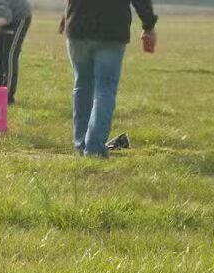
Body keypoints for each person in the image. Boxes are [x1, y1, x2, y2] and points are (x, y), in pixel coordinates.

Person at [63, 0, 158, 157]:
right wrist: (149, 26)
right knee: (105, 89)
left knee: (82, 86)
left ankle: (81, 144)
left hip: (77, 26)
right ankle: (94, 147)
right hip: (112, 30)